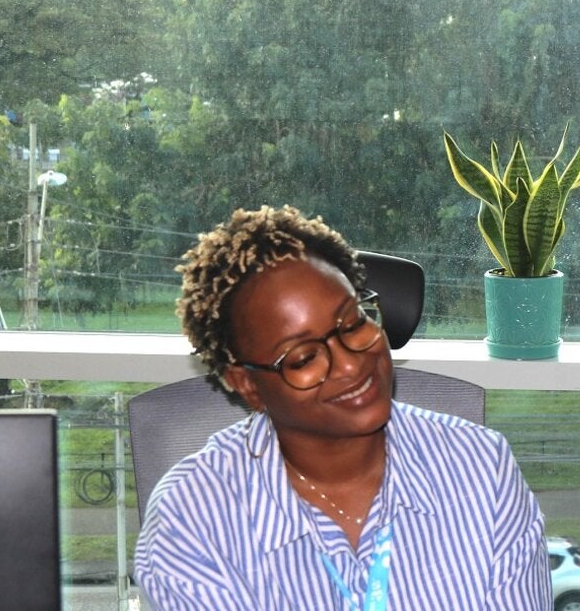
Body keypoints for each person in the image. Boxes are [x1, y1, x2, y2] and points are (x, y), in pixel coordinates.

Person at [133, 205, 550, 609]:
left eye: (352, 324)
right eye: (303, 358)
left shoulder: (481, 469)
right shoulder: (189, 520)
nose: (351, 363)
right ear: (247, 385)